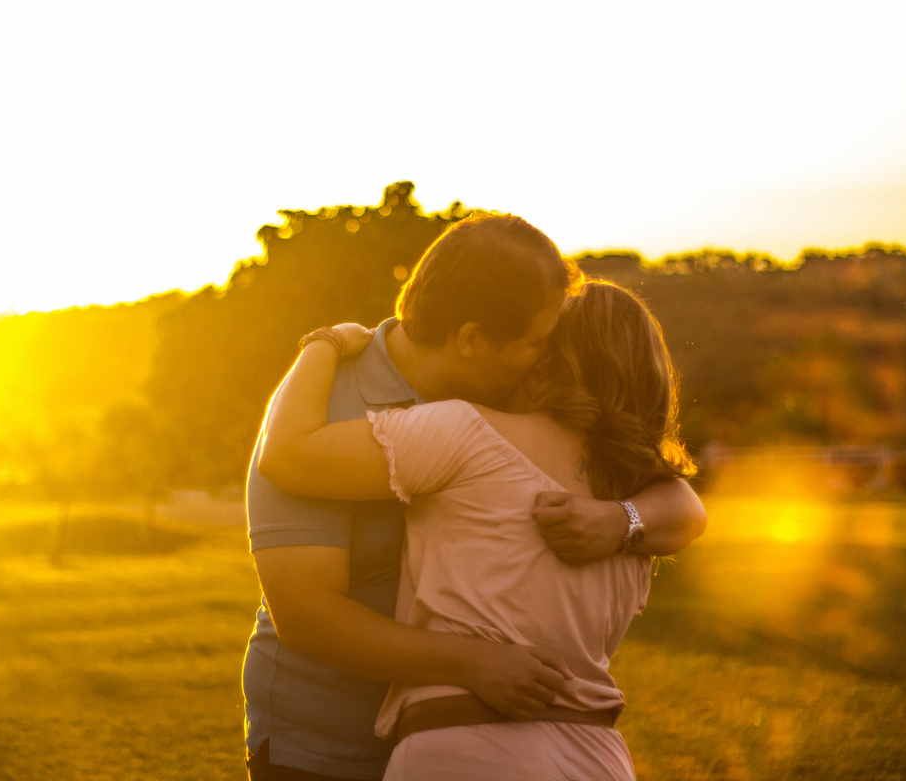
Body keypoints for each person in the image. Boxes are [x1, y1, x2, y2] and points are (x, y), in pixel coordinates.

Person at [242, 212, 706, 780]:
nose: (548, 359)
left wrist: (621, 519)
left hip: (459, 737)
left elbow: (681, 503)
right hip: (324, 746)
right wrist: (319, 347)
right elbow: (308, 617)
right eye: (540, 343)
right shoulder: (323, 408)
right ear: (471, 340)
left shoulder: (505, 406)